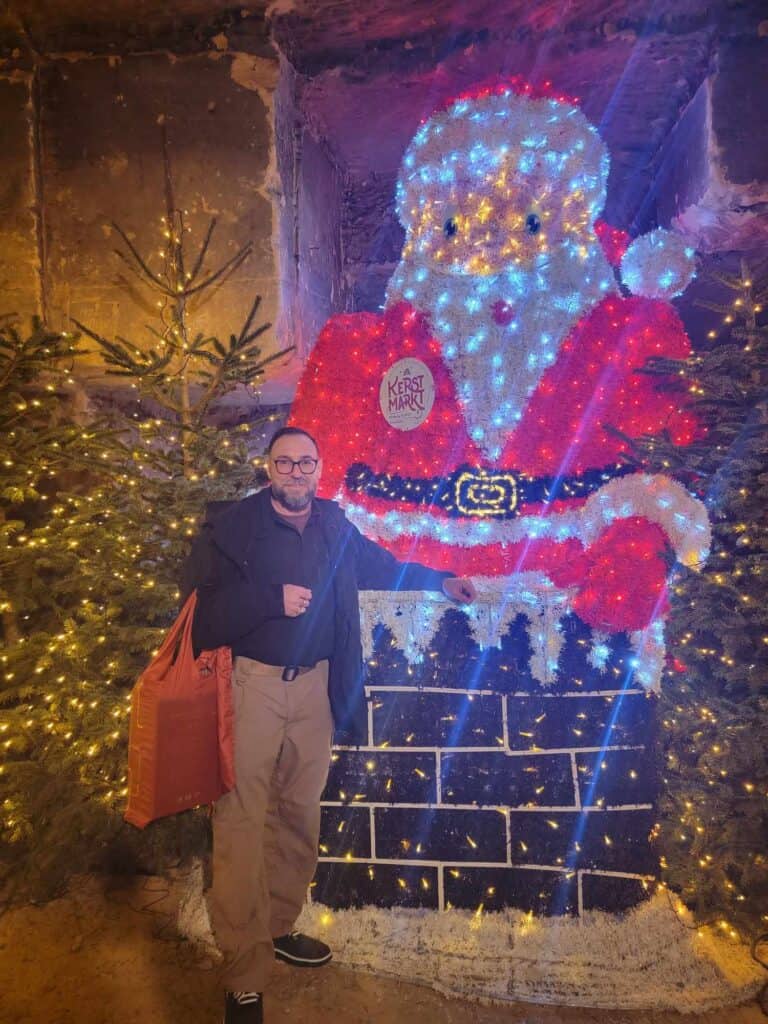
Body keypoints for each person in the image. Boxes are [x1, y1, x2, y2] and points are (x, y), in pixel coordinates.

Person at [186, 426, 476, 1024]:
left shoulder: (333, 524)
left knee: (298, 814)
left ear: (320, 469)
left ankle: (279, 927)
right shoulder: (231, 528)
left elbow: (382, 567)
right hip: (253, 687)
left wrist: (439, 581)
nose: (296, 472)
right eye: (285, 462)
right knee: (240, 822)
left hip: (314, 690)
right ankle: (243, 972)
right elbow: (200, 617)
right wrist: (269, 597)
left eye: (306, 463)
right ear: (268, 467)